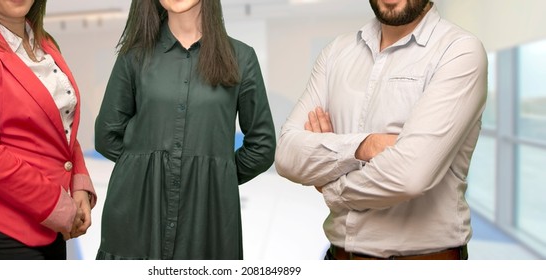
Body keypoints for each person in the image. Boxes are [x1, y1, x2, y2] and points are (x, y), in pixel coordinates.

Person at [275, 0, 487, 260]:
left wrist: (328, 182)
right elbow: (286, 154)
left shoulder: (459, 51)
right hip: (337, 258)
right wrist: (368, 145)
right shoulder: (336, 52)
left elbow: (410, 177)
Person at [94, 0, 276, 260]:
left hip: (207, 220)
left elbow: (262, 146)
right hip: (136, 217)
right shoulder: (133, 56)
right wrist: (149, 170)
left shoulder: (241, 57)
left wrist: (215, 177)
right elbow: (106, 136)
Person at [0, 0, 96, 260]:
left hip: (51, 230)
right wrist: (59, 206)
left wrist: (79, 184)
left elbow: (62, 126)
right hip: (0, 232)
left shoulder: (46, 46)